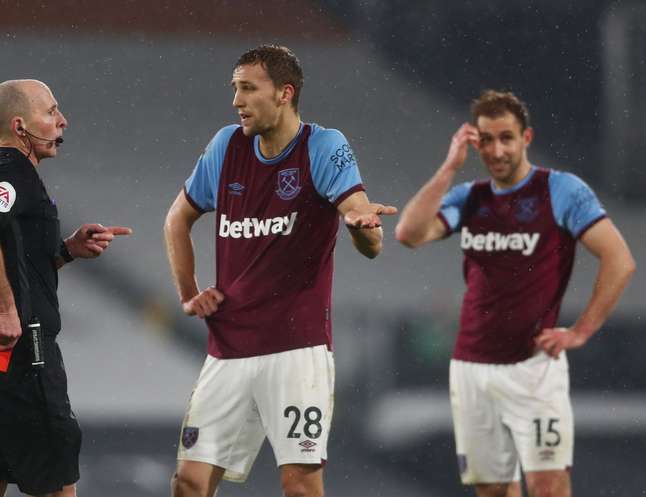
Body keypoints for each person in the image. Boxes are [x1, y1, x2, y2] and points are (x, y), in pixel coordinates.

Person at [163, 45, 395, 497]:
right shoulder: (226, 145)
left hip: (296, 350)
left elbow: (370, 238)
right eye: (235, 88)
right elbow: (177, 219)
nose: (236, 100)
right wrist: (189, 293)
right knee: (189, 482)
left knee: (300, 487)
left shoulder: (324, 146)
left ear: (285, 93)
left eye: (248, 88)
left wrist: (361, 228)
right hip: (228, 348)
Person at [395, 90, 636, 497]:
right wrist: (449, 167)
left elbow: (620, 260)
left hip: (534, 367)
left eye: (506, 137)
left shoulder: (560, 191)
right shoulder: (469, 198)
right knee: (492, 491)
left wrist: (580, 331)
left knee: (548, 486)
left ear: (526, 138)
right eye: (486, 140)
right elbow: (409, 234)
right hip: (472, 367)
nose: (496, 149)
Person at [0, 79, 131, 497]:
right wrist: (5, 308)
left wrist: (66, 251)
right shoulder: (14, 173)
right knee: (56, 486)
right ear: (20, 126)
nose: (62, 121)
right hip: (22, 356)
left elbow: (11, 254)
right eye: (50, 112)